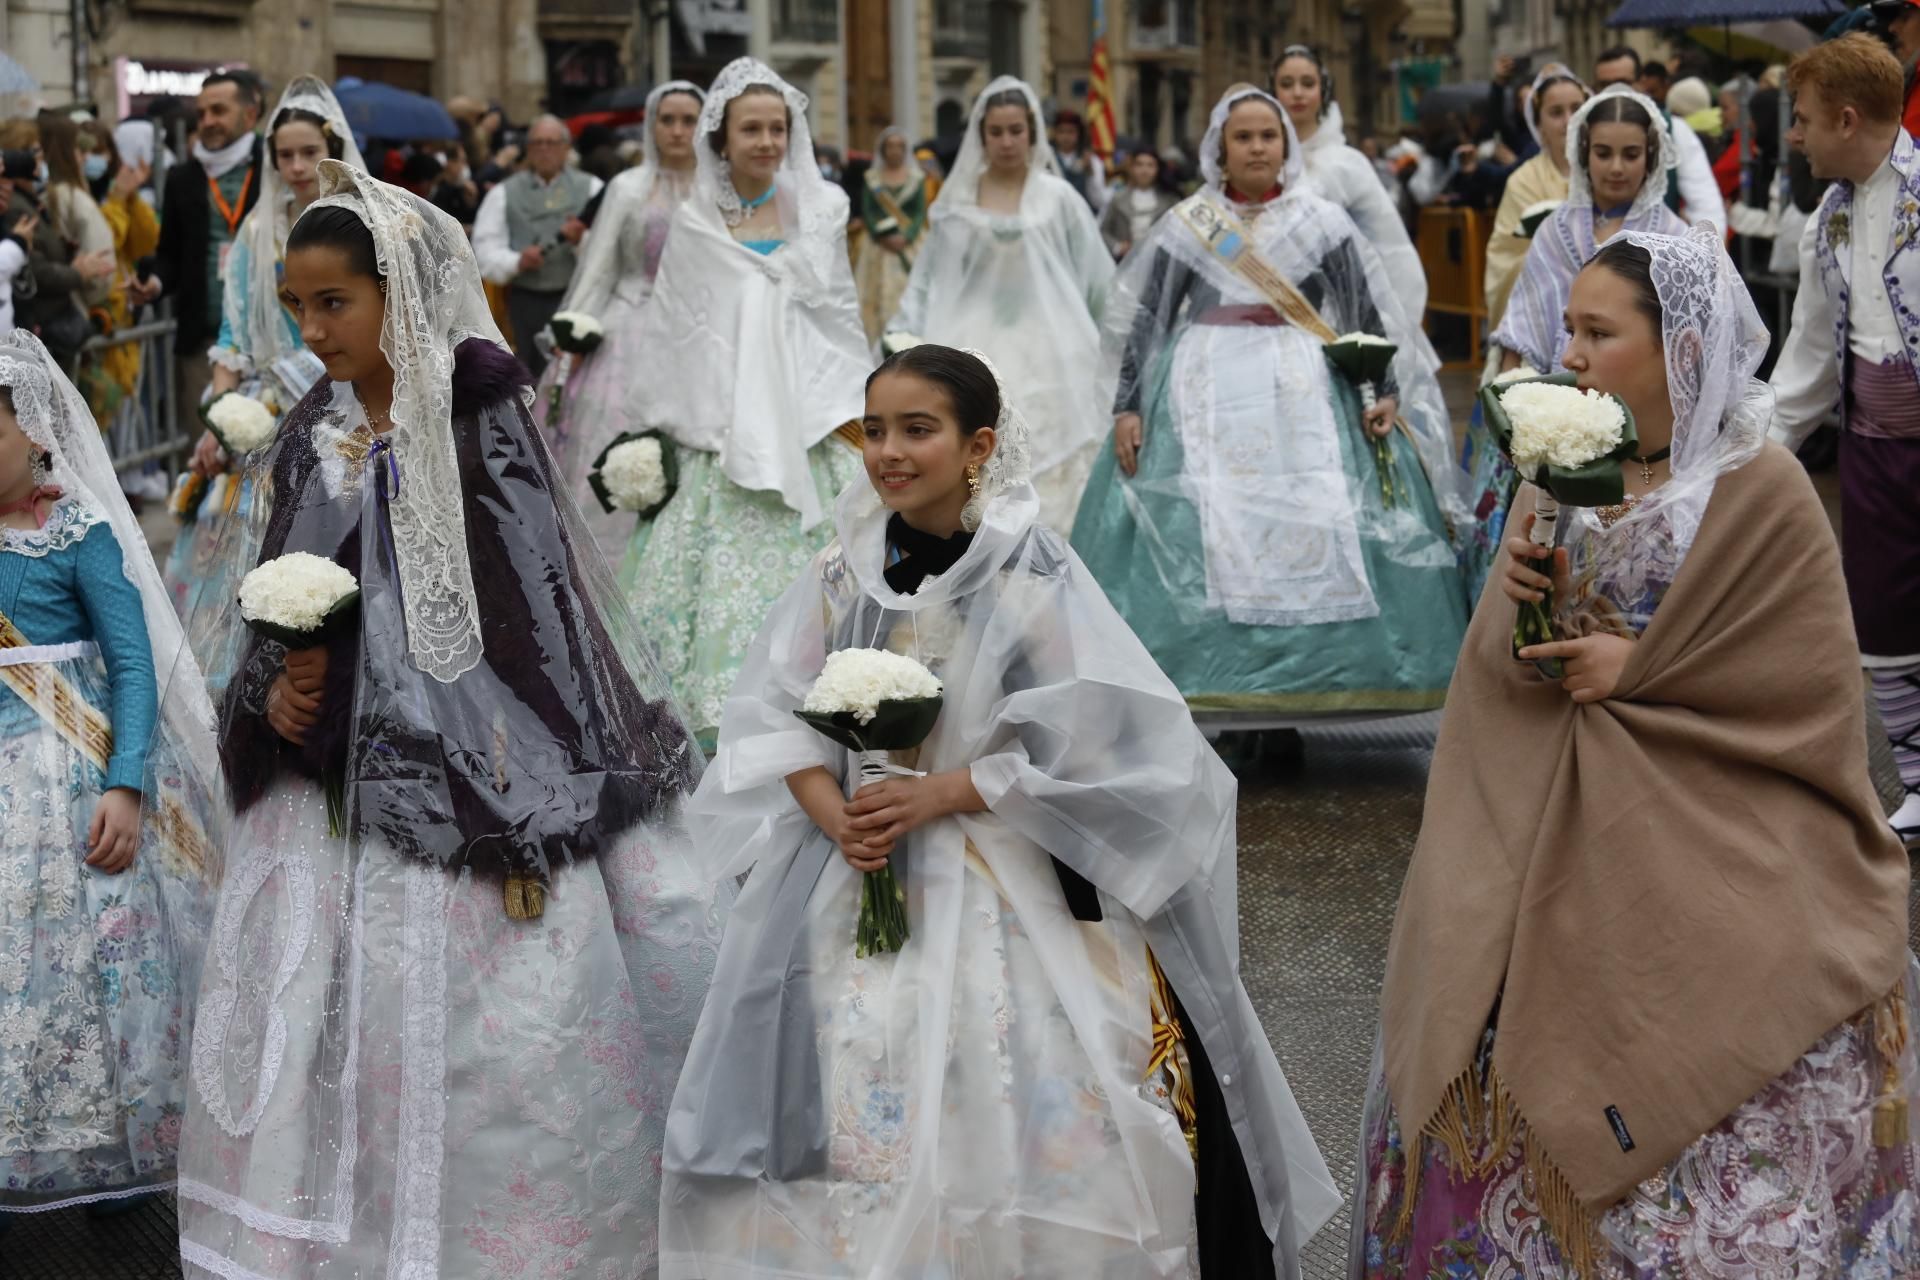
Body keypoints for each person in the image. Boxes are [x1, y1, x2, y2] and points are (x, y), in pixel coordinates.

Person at [659, 342, 1341, 1278]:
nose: (889, 452)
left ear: (978, 446)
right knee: (845, 1077)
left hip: (992, 859)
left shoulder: (1028, 569)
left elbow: (1091, 734)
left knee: (1012, 1081)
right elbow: (773, 712)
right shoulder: (839, 569)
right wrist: (833, 811)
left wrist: (937, 791)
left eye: (918, 430)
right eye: (875, 431)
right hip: (852, 864)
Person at [172, 160, 727, 1279]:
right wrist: (273, 690)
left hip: (478, 772)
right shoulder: (310, 432)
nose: (315, 329)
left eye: (336, 303)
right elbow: (276, 592)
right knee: (328, 1024)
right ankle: (337, 1237)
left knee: (491, 1045)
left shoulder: (481, 423)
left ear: (401, 295)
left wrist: (518, 783)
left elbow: (542, 615)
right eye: (296, 307)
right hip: (328, 788)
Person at [1352, 224, 1920, 1278]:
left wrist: (1645, 671)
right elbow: (1497, 681)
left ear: (1680, 353)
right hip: (1535, 825)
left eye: (1598, 332)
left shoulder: (1761, 489)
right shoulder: (1554, 473)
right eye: (1567, 327)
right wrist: (1517, 613)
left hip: (1710, 833)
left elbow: (1804, 691)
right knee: (1471, 986)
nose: (1567, 353)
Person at [1070, 86, 1467, 718]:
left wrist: (1382, 389)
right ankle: (1216, 685)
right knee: (1201, 519)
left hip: (1306, 384)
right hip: (1201, 383)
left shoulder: (1323, 220)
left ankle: (1312, 682)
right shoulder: (1189, 222)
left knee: (1321, 512)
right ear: (1219, 150)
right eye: (1243, 137)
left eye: (1268, 136)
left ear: (1286, 145)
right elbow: (1146, 316)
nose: (1257, 147)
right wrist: (1129, 405)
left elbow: (1361, 312)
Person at [0, 328, 219, 1218]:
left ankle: (106, 1142)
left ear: (38, 435)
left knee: (98, 961)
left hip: (77, 776)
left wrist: (125, 783)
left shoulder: (77, 531)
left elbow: (131, 665)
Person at [623, 58, 871, 745]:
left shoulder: (821, 212)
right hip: (721, 427)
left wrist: (850, 403)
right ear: (722, 139)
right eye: (751, 129)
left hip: (809, 418)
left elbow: (840, 318)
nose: (765, 141)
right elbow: (683, 329)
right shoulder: (697, 221)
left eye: (776, 128)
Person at [1769, 34, 1920, 845]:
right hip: (1871, 444)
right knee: (1883, 612)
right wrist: (1755, 452)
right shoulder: (1823, 221)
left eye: (1803, 120)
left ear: (1847, 119)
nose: (1796, 135)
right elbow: (1810, 352)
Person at [166, 78, 368, 678]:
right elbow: (233, 336)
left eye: (311, 152)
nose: (300, 166)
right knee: (227, 530)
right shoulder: (256, 233)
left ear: (333, 148)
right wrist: (223, 411)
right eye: (286, 155)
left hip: (347, 398)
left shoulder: (361, 224)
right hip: (271, 400)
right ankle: (235, 676)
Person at [886, 77, 1114, 533]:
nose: (1007, 141)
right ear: (981, 135)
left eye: (1016, 130)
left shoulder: (1059, 199)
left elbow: (1097, 281)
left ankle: (1047, 574)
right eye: (996, 131)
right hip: (971, 348)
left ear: (1032, 133)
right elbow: (930, 279)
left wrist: (1109, 351)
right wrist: (903, 335)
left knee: (1050, 467)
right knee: (977, 463)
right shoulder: (956, 203)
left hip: (1053, 354)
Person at [531, 79, 703, 565]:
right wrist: (576, 326)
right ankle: (600, 562)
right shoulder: (627, 188)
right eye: (666, 120)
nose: (676, 130)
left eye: (687, 120)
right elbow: (601, 264)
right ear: (651, 126)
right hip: (628, 326)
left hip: (696, 331)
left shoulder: (718, 191)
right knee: (609, 437)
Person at [1491, 85, 1687, 378]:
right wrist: (1510, 394)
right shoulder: (1555, 231)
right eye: (1603, 153)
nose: (1616, 167)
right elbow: (1523, 327)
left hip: (1643, 400)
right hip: (1558, 401)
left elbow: (1688, 339)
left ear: (1651, 157)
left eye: (1631, 155)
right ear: (1584, 153)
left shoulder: (1673, 237)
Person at [130, 71, 267, 421]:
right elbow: (170, 255)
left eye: (218, 111)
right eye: (202, 113)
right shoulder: (183, 178)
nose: (207, 122)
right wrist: (155, 283)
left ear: (249, 114)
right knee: (207, 457)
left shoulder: (276, 165)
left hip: (273, 338)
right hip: (204, 343)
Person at [1272, 45, 1429, 326]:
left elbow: (1390, 245)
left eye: (1308, 83)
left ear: (1323, 91)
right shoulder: (1262, 162)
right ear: (1273, 92)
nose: (1297, 93)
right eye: (1287, 84)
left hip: (1344, 314)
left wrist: (1391, 323)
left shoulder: (1348, 163)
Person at [472, 114, 602, 378]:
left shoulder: (591, 188)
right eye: (537, 143)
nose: (544, 150)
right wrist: (516, 261)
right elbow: (483, 251)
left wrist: (581, 242)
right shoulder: (503, 193)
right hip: (524, 301)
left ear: (566, 148)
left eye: (552, 143)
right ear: (528, 149)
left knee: (573, 376)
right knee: (526, 375)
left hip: (576, 297)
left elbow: (608, 252)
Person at [1483, 65, 1590, 334]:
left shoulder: (1609, 172)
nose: (1569, 120)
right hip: (1543, 314)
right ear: (1539, 124)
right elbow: (1505, 256)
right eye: (1556, 113)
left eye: (1576, 108)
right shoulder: (1523, 181)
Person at [1592, 45, 1727, 232]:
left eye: (1624, 82)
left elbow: (1706, 208)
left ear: (1640, 83)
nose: (1615, 91)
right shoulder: (1581, 134)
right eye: (1605, 85)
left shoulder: (1674, 130)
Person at [853, 125, 931, 343]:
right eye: (890, 147)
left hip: (910, 243)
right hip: (878, 246)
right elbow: (867, 211)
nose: (895, 151)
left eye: (899, 147)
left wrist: (907, 236)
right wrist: (882, 236)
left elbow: (919, 211)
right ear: (883, 150)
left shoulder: (916, 178)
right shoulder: (872, 178)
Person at [1099, 145, 1179, 259]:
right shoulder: (1118, 198)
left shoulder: (1170, 201)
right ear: (1131, 168)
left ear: (1158, 169)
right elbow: (1103, 231)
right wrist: (1118, 246)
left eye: (1150, 165)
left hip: (1157, 262)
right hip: (1124, 262)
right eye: (1139, 164)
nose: (1144, 170)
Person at [1051, 108, 1110, 213]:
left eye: (1071, 132)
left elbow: (1099, 201)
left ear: (1079, 133)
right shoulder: (1046, 160)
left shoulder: (1092, 160)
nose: (1066, 137)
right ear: (1054, 133)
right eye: (1061, 131)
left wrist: (1090, 172)